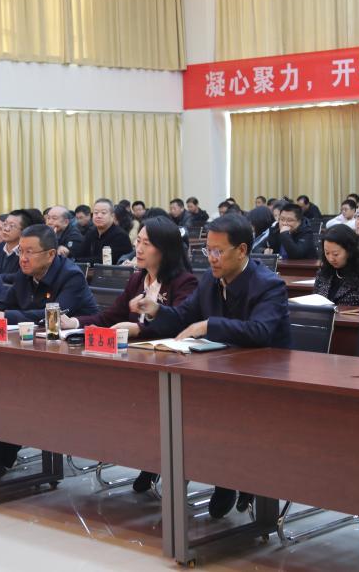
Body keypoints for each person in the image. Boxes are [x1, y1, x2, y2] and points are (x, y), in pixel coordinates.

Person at [134, 213, 290, 518]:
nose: (211, 258)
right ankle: (222, 476)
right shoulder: (210, 279)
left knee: (218, 414)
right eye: (208, 250)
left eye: (218, 251)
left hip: (263, 379)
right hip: (220, 373)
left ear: (242, 250)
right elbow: (183, 317)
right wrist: (156, 311)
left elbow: (260, 331)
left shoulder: (268, 285)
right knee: (185, 410)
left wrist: (208, 324)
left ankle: (234, 479)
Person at [60, 217, 198, 493]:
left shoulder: (185, 282)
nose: (139, 248)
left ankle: (158, 462)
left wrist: (138, 329)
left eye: (147, 243)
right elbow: (109, 317)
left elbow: (179, 324)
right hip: (135, 361)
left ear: (165, 249)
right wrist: (75, 323)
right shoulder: (137, 278)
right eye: (138, 241)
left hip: (170, 365)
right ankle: (149, 459)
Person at [0, 224, 98, 485]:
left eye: (30, 252)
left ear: (50, 254)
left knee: (13, 392)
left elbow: (51, 315)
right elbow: (6, 304)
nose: (23, 258)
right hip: (32, 354)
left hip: (76, 360)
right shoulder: (25, 274)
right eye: (21, 252)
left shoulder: (71, 276)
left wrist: (3, 315)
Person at [313, 225, 359, 306]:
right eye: (327, 253)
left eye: (335, 254)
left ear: (349, 251)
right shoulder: (323, 273)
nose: (331, 259)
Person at [76, 198, 133, 265]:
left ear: (112, 216)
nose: (99, 216)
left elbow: (104, 261)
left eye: (103, 213)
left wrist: (79, 261)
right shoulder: (91, 233)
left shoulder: (120, 236)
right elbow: (79, 255)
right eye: (96, 213)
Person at [0, 209, 34, 282]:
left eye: (11, 226)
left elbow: (22, 276)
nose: (6, 229)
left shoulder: (27, 252)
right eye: (5, 224)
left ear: (23, 231)